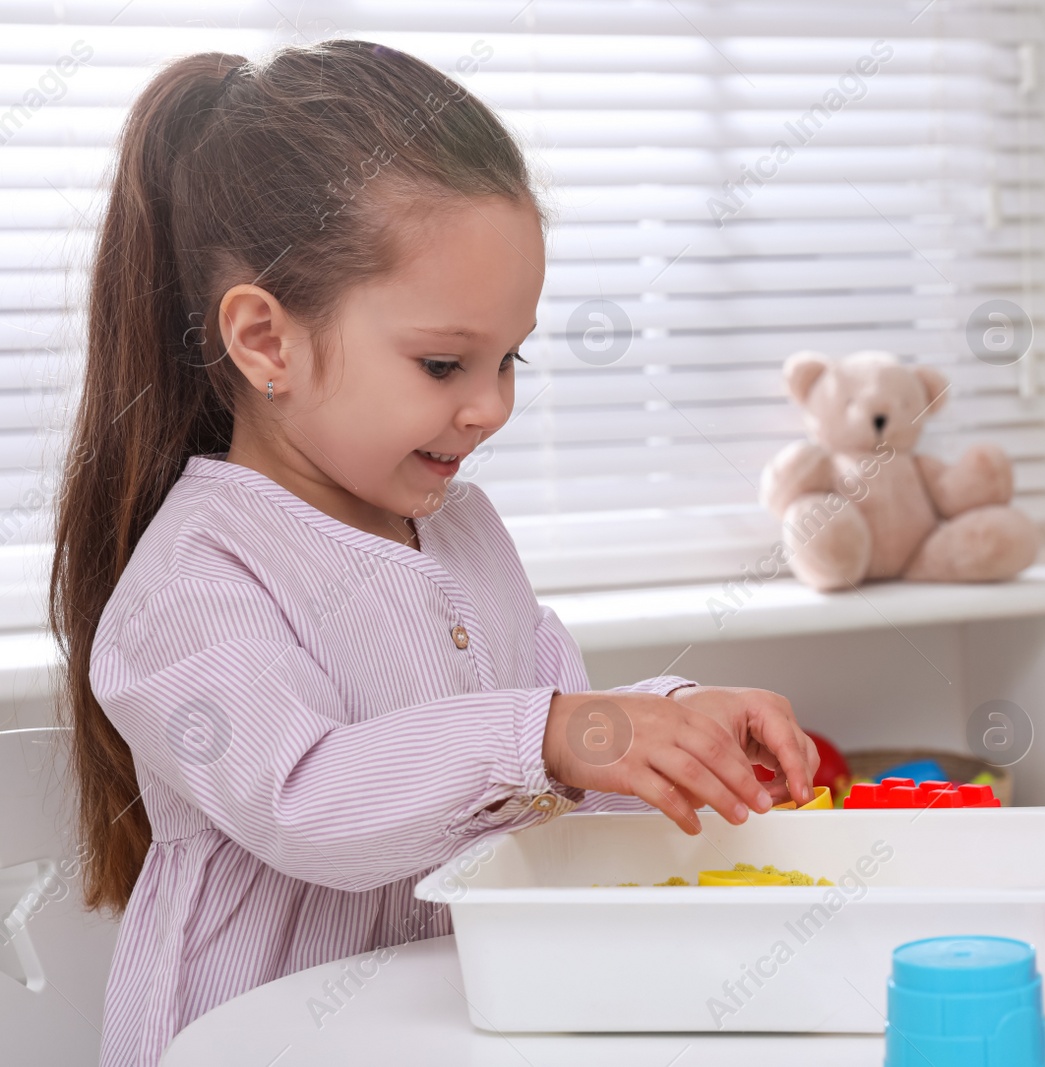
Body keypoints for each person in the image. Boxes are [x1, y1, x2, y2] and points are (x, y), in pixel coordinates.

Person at [46, 40, 818, 1067]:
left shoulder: (463, 529)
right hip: (250, 1033)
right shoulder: (195, 581)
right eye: (444, 361)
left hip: (442, 1023)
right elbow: (311, 801)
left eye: (511, 358)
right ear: (267, 341)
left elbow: (559, 750)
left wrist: (673, 725)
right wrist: (558, 732)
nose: (491, 405)